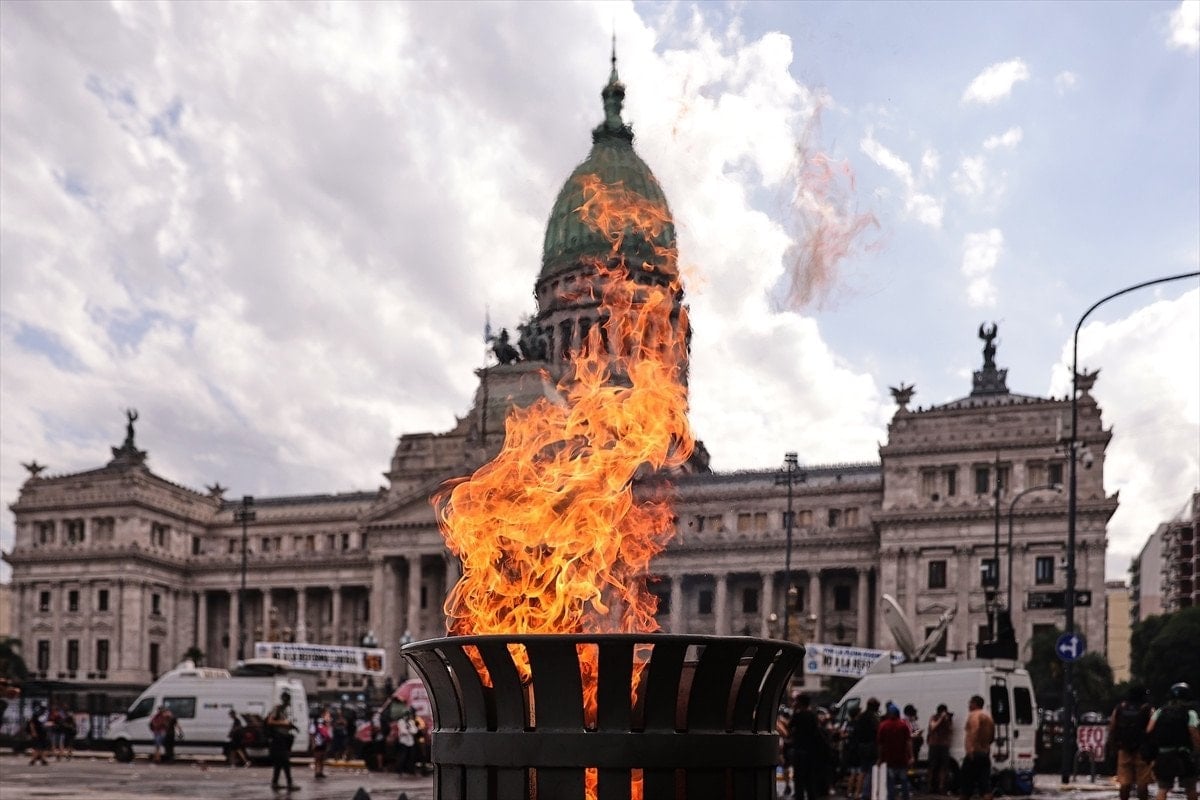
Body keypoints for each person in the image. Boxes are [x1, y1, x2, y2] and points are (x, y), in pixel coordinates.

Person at [1147, 682, 1199, 800]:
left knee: (1163, 789)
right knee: (1191, 788)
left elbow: (1149, 730)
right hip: (1184, 755)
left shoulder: (1160, 711)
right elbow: (1194, 733)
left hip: (1164, 754)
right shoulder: (1190, 713)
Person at [1109, 686, 1153, 800]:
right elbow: (1152, 729)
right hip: (1142, 750)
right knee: (1142, 783)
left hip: (1124, 749)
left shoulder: (1120, 707)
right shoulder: (1147, 708)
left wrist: (1113, 746)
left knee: (1124, 783)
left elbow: (1112, 727)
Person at [788, 694, 829, 800]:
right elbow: (816, 732)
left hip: (799, 751)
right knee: (809, 778)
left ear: (800, 703)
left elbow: (789, 727)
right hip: (810, 752)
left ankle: (800, 797)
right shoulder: (812, 715)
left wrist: (794, 711)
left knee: (798, 779)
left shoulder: (797, 715)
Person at [960, 695, 995, 800]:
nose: (968, 705)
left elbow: (974, 730)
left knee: (965, 785)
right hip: (985, 753)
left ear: (974, 704)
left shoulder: (974, 715)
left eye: (970, 703)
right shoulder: (988, 717)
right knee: (985, 785)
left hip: (974, 753)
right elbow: (992, 737)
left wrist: (970, 748)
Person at [876, 702, 914, 800]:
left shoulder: (883, 726)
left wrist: (880, 758)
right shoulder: (903, 726)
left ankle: (891, 797)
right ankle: (905, 797)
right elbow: (908, 742)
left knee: (890, 782)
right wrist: (911, 756)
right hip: (902, 758)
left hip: (888, 758)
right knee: (904, 780)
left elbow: (880, 744)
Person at [266, 690, 300, 791]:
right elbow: (270, 721)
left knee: (279, 762)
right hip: (278, 738)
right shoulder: (277, 708)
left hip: (283, 738)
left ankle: (275, 782)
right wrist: (284, 723)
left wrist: (291, 726)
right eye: (286, 700)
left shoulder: (283, 711)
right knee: (285, 760)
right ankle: (289, 783)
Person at [855, 698, 881, 800]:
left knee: (862, 771)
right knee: (871, 771)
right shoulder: (874, 718)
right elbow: (877, 732)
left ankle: (857, 792)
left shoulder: (860, 717)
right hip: (871, 746)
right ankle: (866, 794)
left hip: (862, 746)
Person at [926, 704, 954, 795]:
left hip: (944, 745)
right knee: (932, 766)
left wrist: (947, 720)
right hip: (934, 744)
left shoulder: (947, 719)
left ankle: (941, 787)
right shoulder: (934, 718)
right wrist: (941, 718)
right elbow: (933, 727)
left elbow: (950, 730)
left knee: (944, 767)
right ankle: (930, 786)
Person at [309, 708, 331, 779]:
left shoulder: (325, 723)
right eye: (327, 715)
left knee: (322, 758)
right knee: (317, 758)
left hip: (324, 742)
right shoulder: (316, 723)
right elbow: (312, 734)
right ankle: (317, 772)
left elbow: (328, 733)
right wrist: (313, 743)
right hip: (317, 743)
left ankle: (320, 772)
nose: (328, 716)